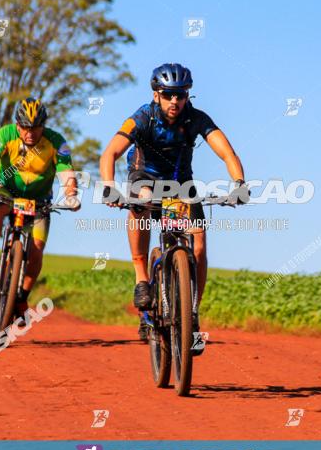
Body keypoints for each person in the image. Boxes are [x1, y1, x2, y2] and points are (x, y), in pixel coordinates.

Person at [99, 63, 247, 341]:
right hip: (144, 177)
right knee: (141, 200)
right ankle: (141, 276)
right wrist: (109, 187)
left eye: (181, 95)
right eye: (168, 95)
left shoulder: (196, 118)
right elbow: (110, 154)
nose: (175, 101)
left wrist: (239, 184)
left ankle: (192, 314)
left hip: (180, 184)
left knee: (199, 244)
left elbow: (227, 153)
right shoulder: (142, 117)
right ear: (156, 95)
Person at [0, 97, 80, 319]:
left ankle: (21, 297)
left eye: (36, 128)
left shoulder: (56, 141)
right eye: (25, 127)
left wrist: (71, 194)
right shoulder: (5, 134)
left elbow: (66, 171)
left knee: (37, 247)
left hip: (40, 199)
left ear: (43, 126)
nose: (30, 133)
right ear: (17, 125)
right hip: (7, 190)